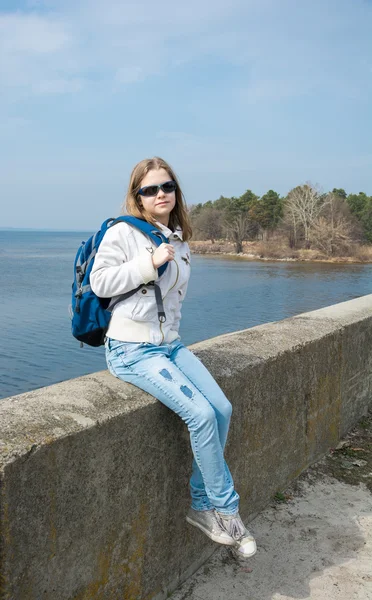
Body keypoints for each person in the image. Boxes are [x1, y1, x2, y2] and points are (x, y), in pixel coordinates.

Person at [90, 157, 256, 559]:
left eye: (167, 187)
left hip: (169, 345)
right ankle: (226, 511)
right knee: (198, 415)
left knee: (220, 408)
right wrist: (149, 262)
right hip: (130, 349)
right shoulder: (122, 233)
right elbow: (100, 282)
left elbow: (174, 303)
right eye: (150, 190)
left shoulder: (179, 241)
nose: (160, 194)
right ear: (138, 197)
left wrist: (166, 257)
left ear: (175, 191)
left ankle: (200, 507)